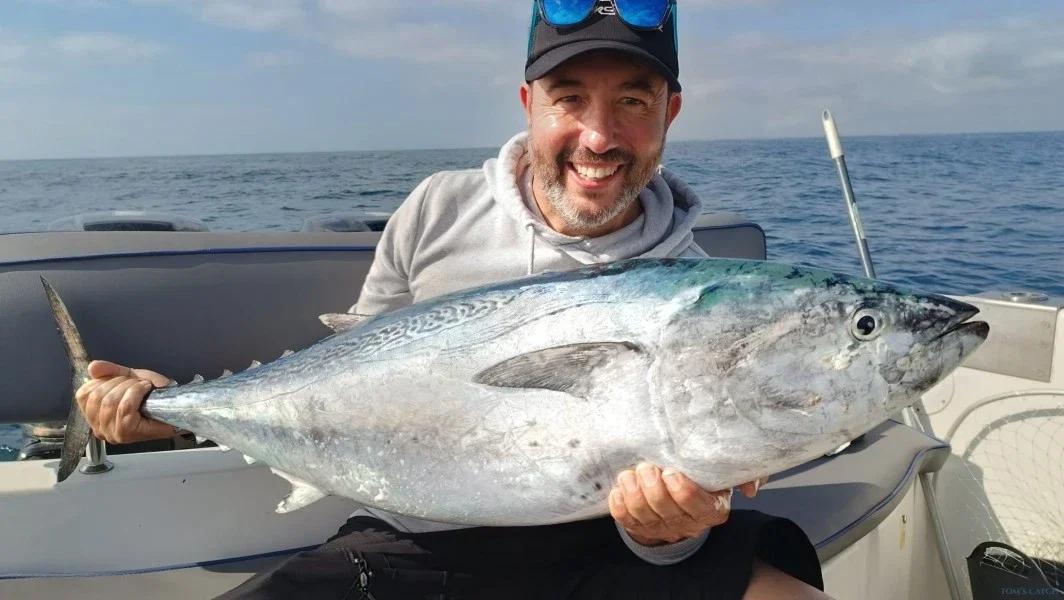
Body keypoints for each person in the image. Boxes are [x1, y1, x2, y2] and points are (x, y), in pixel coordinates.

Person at [74, 2, 830, 598]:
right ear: (529, 103)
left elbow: (686, 509)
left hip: (606, 547)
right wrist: (174, 413)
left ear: (670, 113)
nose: (599, 137)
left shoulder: (705, 299)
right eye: (570, 99)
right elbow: (348, 376)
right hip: (416, 535)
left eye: (633, 100)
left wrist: (671, 532)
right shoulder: (439, 209)